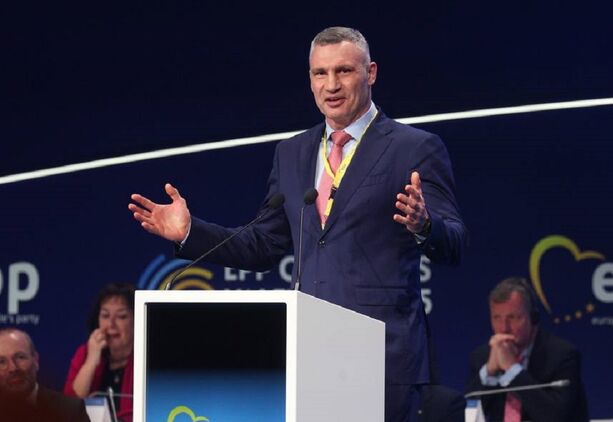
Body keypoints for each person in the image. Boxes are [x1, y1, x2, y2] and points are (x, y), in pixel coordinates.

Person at [128, 26, 466, 421]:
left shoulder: (414, 147)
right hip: (308, 356)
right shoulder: (292, 153)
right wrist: (190, 232)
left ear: (371, 73)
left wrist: (424, 224)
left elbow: (455, 242)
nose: (331, 85)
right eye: (320, 73)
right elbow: (263, 245)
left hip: (383, 358)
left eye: (344, 71)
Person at [466, 277, 588, 422]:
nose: (504, 328)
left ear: (533, 317)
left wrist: (512, 369)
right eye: (497, 318)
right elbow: (470, 416)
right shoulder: (482, 356)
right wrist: (489, 372)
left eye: (513, 317)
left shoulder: (562, 355)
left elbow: (556, 417)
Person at [64, 283, 135, 422]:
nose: (111, 325)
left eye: (121, 316)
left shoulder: (147, 357)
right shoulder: (85, 353)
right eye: (105, 316)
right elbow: (69, 407)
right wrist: (91, 361)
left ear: (137, 319)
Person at [0, 327, 91, 422]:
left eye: (20, 357)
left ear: (36, 360)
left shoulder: (71, 410)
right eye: (2, 362)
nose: (13, 368)